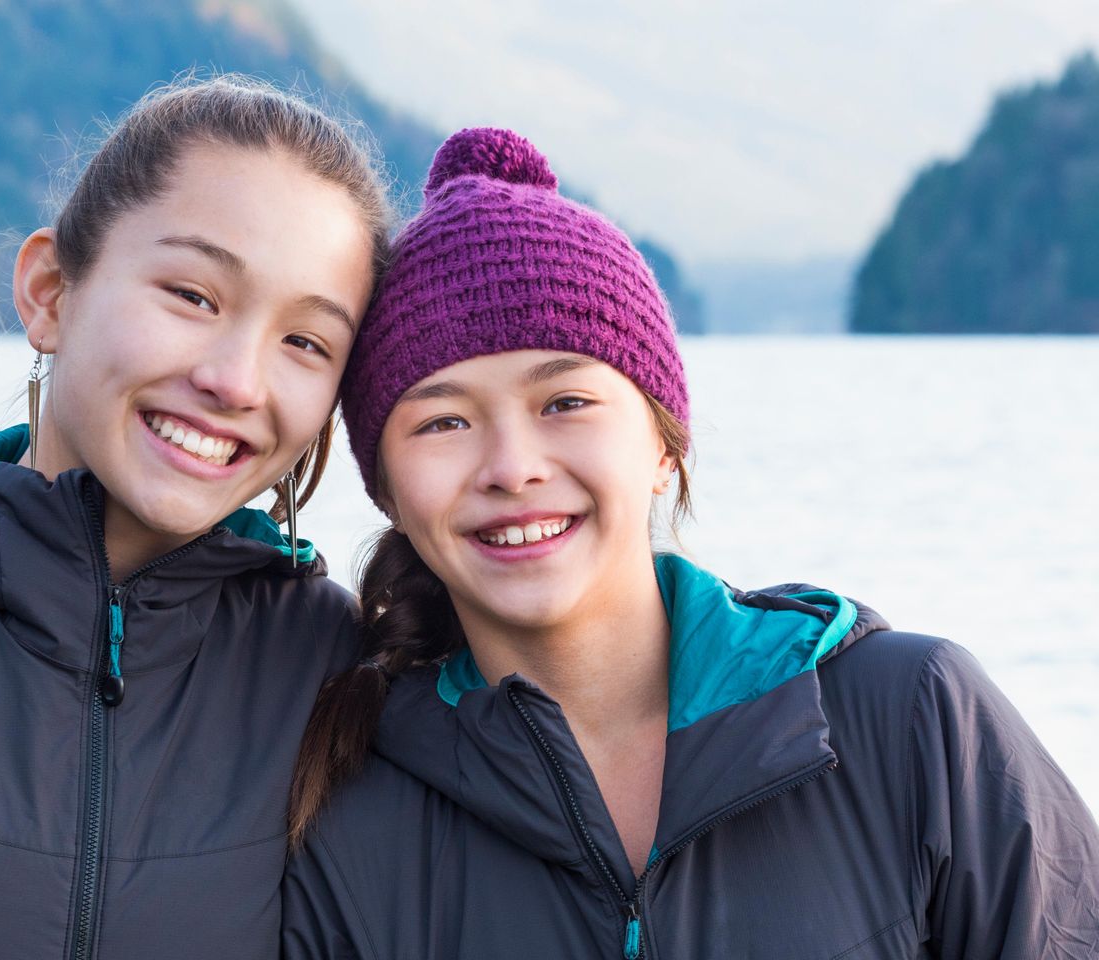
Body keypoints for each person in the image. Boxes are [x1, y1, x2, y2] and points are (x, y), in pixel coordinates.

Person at [282, 127, 1099, 959]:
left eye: (564, 401)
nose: (511, 468)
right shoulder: (350, 813)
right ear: (387, 488)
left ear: (663, 444)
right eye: (444, 421)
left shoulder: (912, 718)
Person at [0, 76, 391, 958]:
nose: (236, 381)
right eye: (194, 296)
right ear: (51, 291)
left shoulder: (332, 670)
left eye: (305, 342)